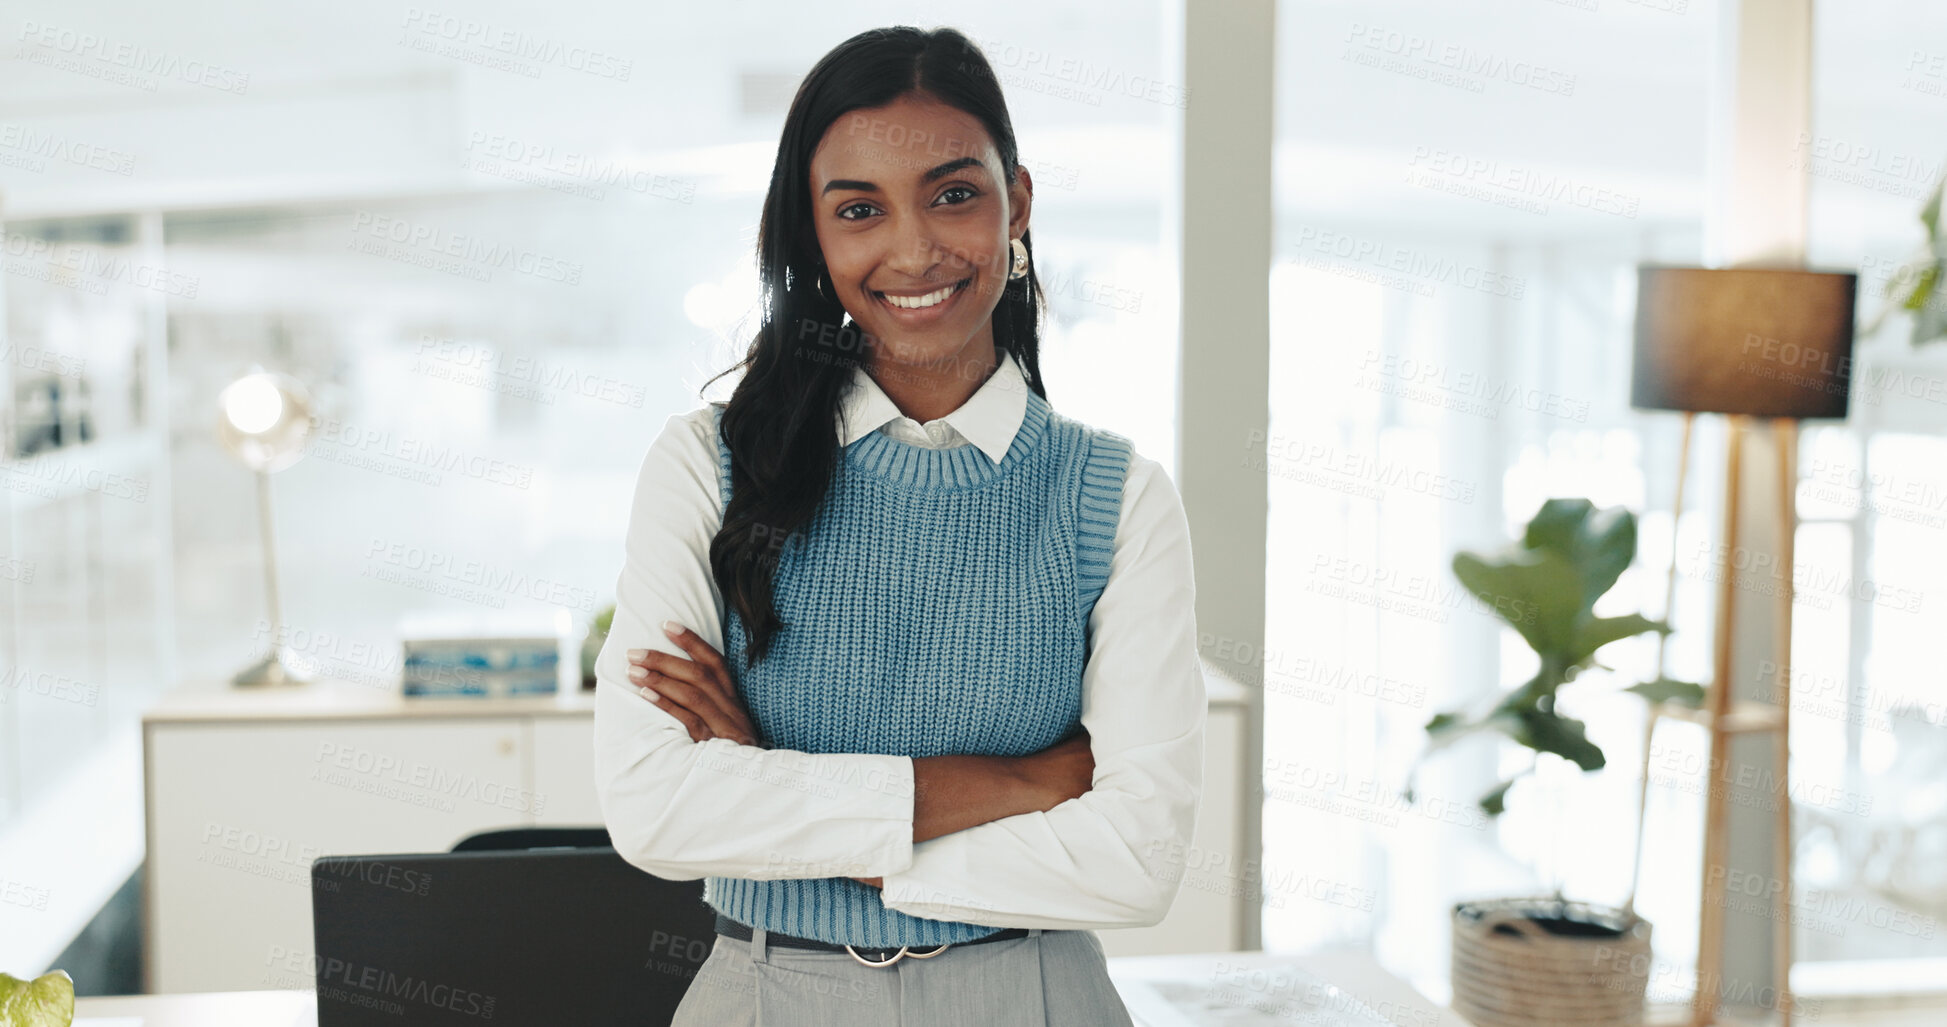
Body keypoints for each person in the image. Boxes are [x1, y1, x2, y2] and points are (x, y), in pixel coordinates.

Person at [590, 24, 1205, 1026]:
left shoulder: (1116, 495)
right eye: (860, 210)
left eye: (954, 194)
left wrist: (790, 807)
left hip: (1034, 998)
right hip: (765, 993)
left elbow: (1135, 864)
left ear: (1019, 203)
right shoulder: (707, 465)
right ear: (812, 234)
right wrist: (1018, 783)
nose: (915, 250)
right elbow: (655, 809)